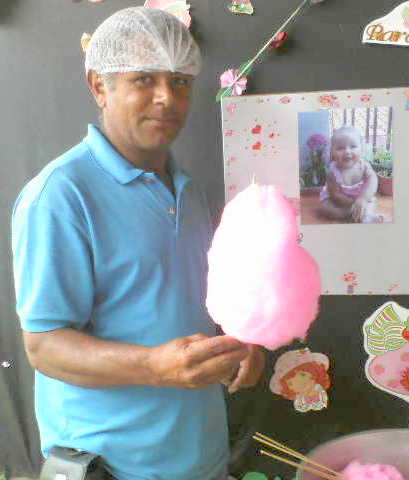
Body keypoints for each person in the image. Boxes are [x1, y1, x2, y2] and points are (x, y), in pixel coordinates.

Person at [11, 7, 266, 480]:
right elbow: (44, 346)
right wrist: (155, 366)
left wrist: (234, 346)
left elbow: (177, 307)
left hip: (200, 457)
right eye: (144, 79)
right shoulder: (60, 196)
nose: (166, 97)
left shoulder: (188, 192)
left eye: (180, 82)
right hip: (113, 466)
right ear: (99, 86)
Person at [318, 126, 383, 223]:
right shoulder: (333, 171)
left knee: (371, 201)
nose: (347, 151)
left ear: (361, 149)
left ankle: (364, 214)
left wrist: (363, 199)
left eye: (353, 147)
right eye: (340, 148)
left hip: (361, 196)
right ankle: (352, 214)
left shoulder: (363, 166)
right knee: (326, 208)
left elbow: (373, 180)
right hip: (339, 200)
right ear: (332, 152)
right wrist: (353, 203)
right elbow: (335, 194)